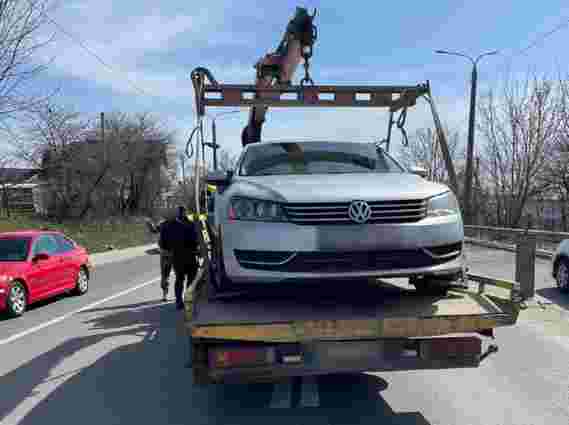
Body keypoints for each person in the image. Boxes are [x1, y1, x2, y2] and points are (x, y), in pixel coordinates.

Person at [160, 205, 200, 310]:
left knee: (179, 279)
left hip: (177, 257)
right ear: (185, 213)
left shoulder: (168, 226)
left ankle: (178, 301)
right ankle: (188, 300)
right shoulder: (191, 225)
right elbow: (195, 240)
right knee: (191, 280)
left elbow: (163, 244)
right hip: (190, 256)